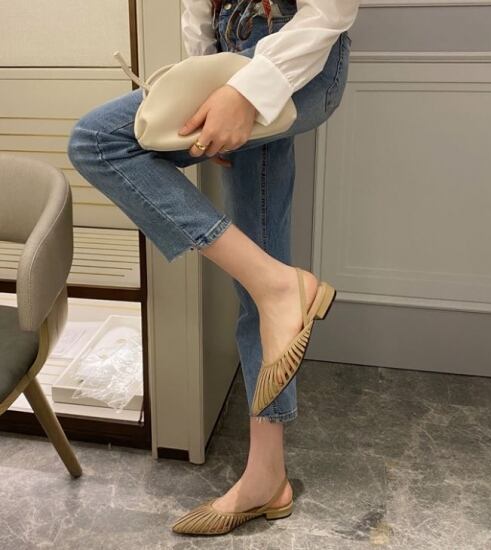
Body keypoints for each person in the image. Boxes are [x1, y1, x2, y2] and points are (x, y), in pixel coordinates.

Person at [67, 0, 360, 536]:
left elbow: (331, 10)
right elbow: (196, 8)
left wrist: (243, 92)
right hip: (231, 56)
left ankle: (280, 288)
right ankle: (268, 475)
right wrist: (206, 77)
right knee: (258, 277)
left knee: (100, 141)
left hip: (296, 51)